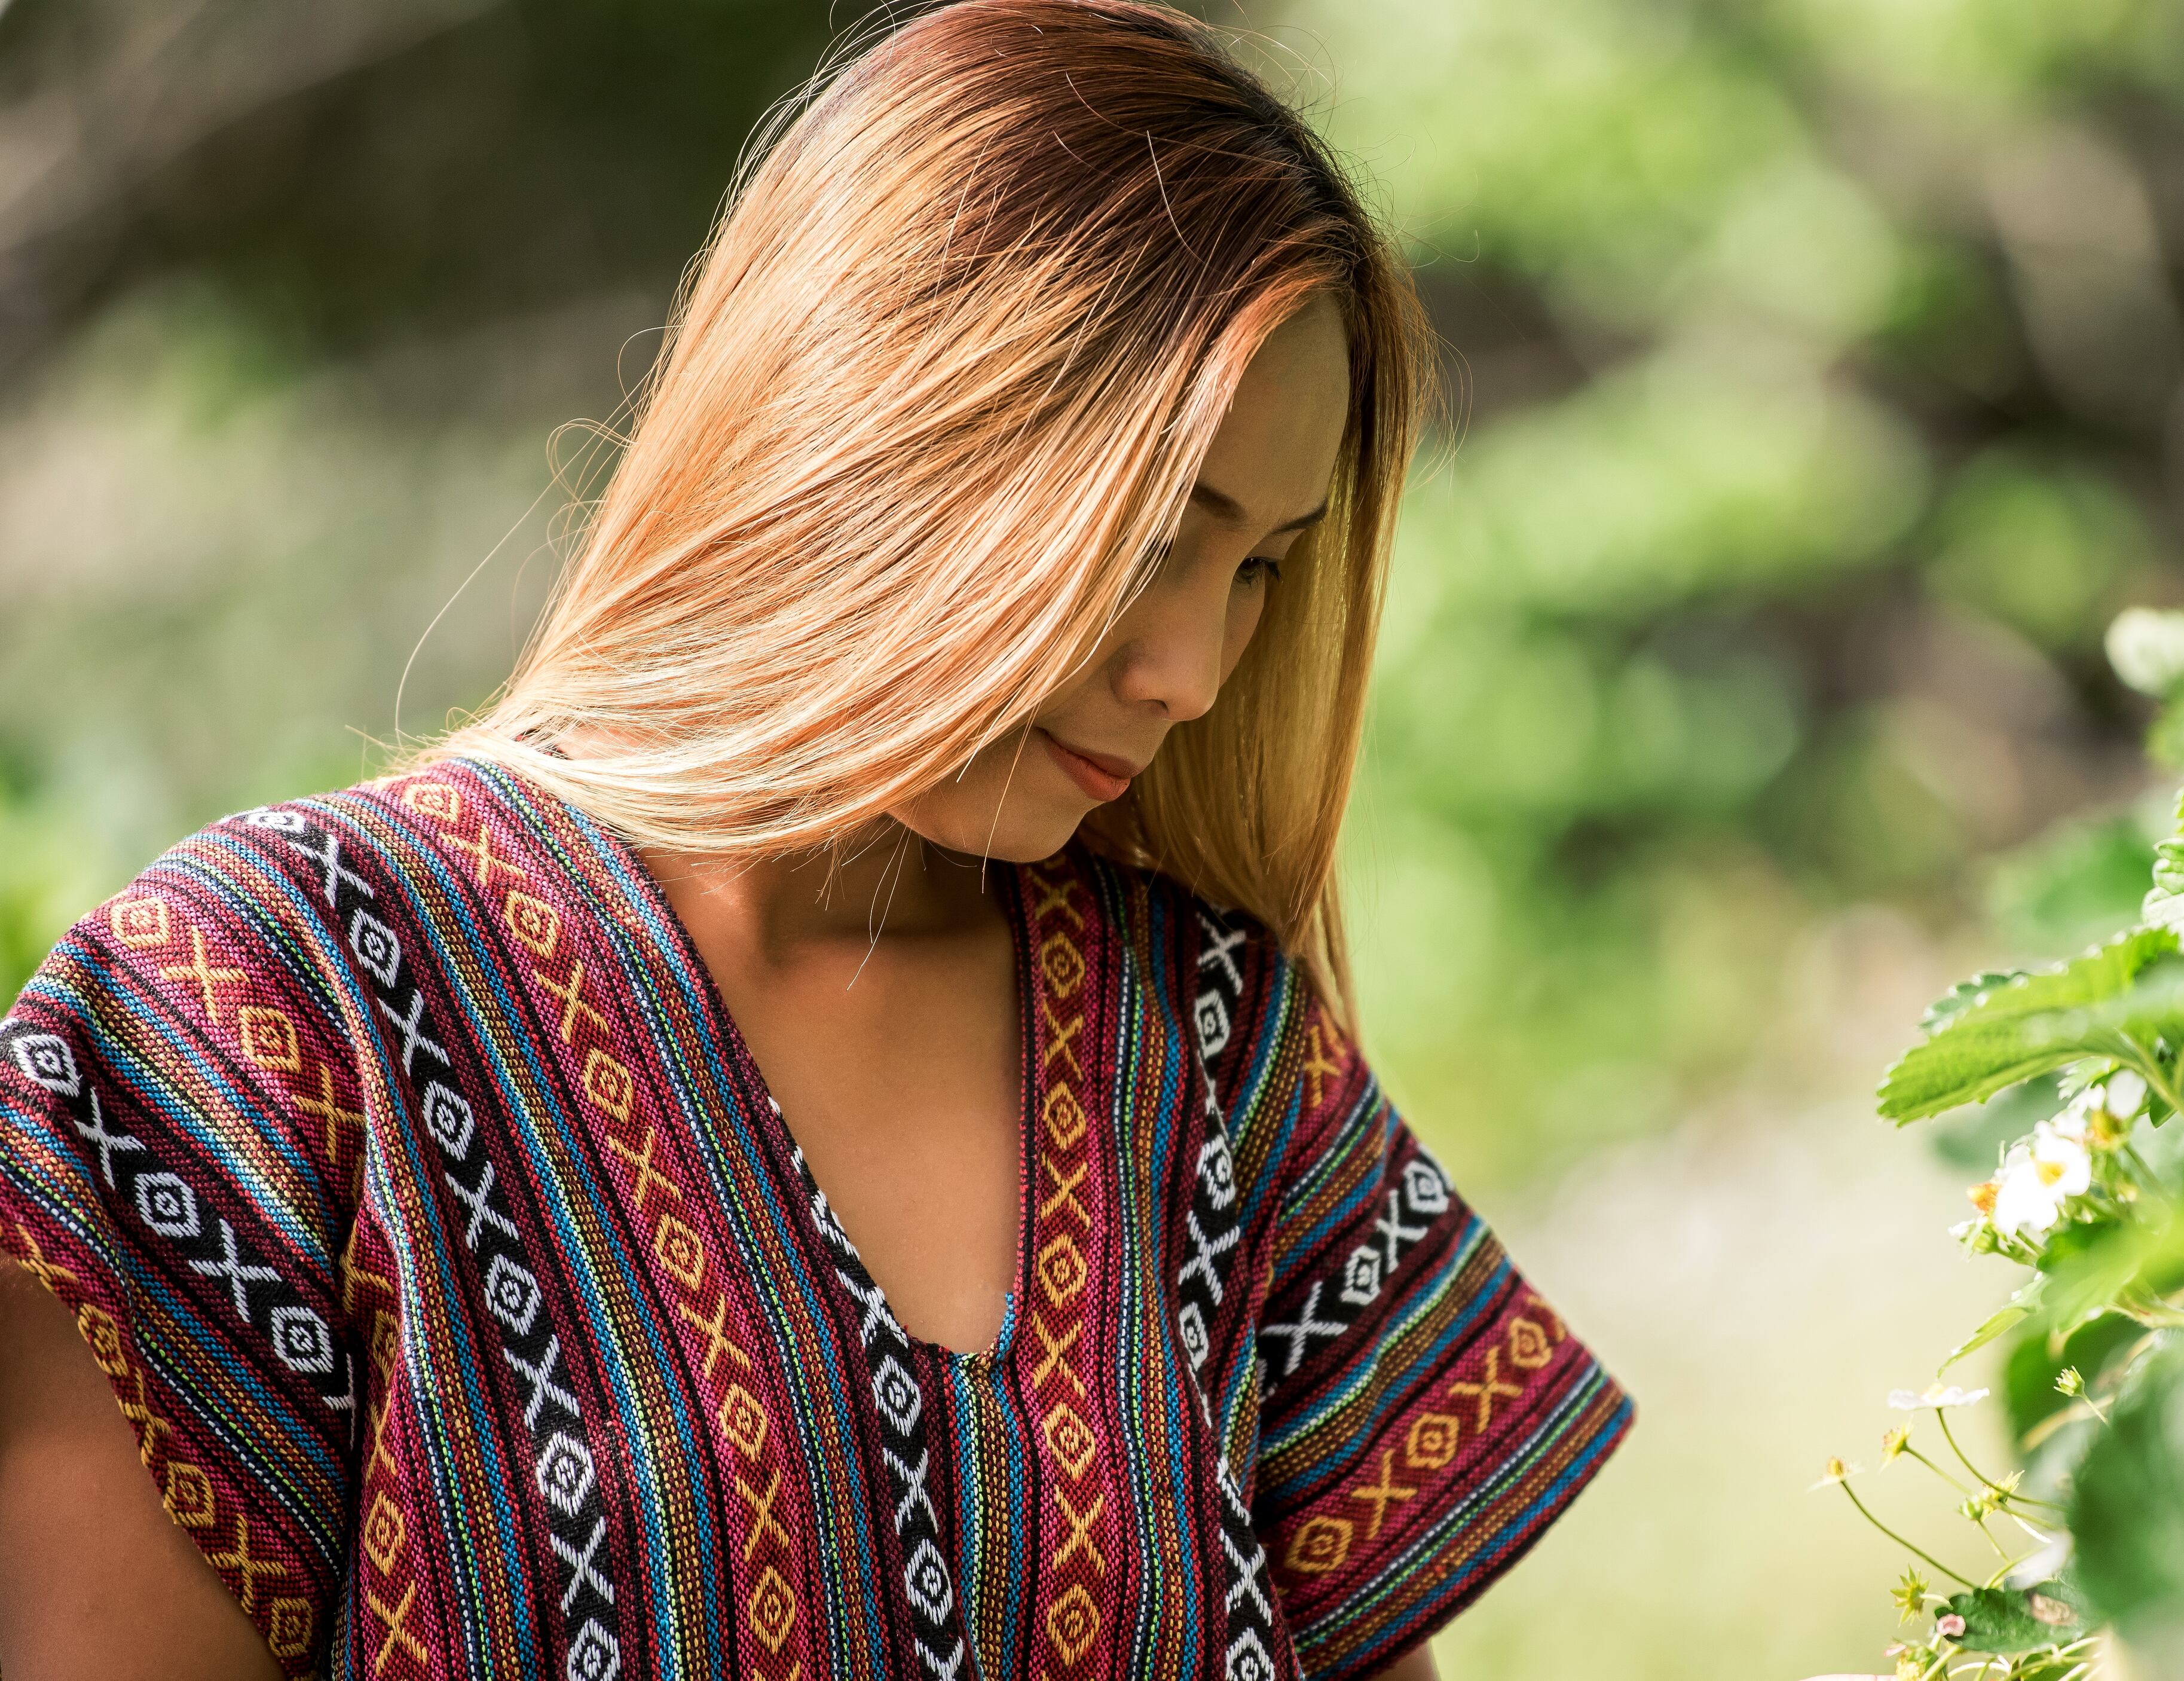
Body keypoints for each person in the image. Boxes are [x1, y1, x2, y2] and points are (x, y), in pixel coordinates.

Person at [0, 4, 1632, 1676]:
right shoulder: (250, 1021)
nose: (1196, 673)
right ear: (871, 415)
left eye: (1262, 566)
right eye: (1155, 537)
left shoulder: (1211, 1048)